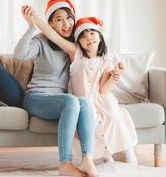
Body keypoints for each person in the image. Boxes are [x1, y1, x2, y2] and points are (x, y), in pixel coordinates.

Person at [32, 14, 139, 165]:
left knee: (114, 116)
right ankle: (106, 156)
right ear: (79, 42)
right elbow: (53, 35)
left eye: (92, 33)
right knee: (92, 121)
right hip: (84, 101)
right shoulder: (76, 55)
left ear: (100, 37)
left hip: (103, 99)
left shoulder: (105, 61)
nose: (89, 38)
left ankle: (128, 152)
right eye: (83, 36)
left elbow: (104, 89)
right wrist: (34, 19)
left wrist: (116, 75)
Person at [14, 0, 98, 177]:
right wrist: (31, 27)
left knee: (83, 102)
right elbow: (19, 56)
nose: (66, 24)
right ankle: (65, 163)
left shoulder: (74, 46)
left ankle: (87, 160)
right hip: (36, 97)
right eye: (59, 19)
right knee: (71, 101)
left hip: (59, 100)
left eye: (69, 18)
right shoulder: (41, 40)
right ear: (50, 23)